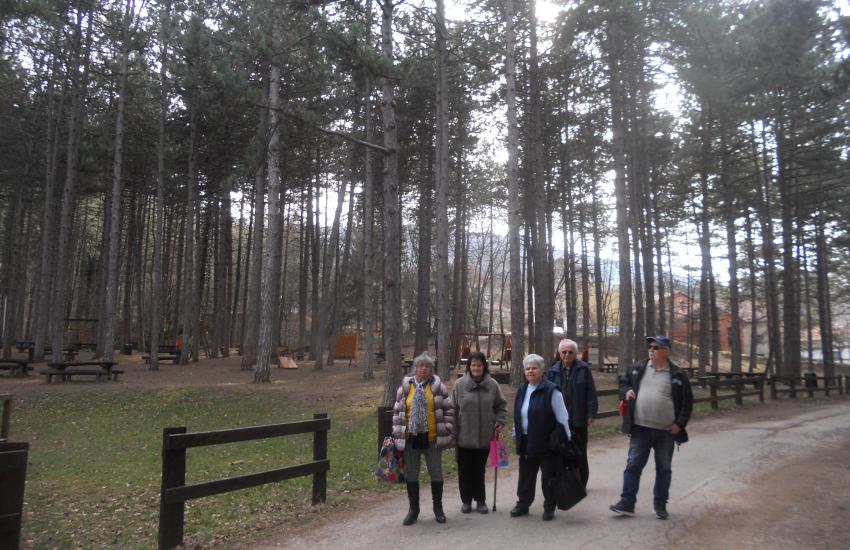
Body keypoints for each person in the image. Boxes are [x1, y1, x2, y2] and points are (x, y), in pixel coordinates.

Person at [610, 336, 693, 520]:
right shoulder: (638, 368)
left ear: (666, 351)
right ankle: (627, 503)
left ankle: (660, 505)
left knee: (664, 468)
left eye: (656, 347)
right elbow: (623, 383)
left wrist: (679, 424)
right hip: (640, 428)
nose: (651, 350)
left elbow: (687, 402)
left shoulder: (677, 375)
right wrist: (625, 391)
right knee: (633, 465)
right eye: (650, 347)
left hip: (666, 431)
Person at [392, 352, 454, 525]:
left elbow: (449, 410)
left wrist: (447, 428)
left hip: (432, 438)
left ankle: (438, 508)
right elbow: (397, 412)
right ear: (415, 368)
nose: (423, 369)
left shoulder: (438, 387)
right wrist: (397, 432)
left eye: (427, 366)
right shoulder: (405, 387)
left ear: (431, 369)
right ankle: (413, 510)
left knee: (436, 472)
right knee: (412, 473)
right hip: (410, 439)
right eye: (420, 366)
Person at [511, 354, 571, 521]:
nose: (530, 371)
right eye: (527, 368)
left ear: (542, 370)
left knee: (548, 476)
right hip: (526, 440)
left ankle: (549, 506)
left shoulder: (552, 391)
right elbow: (518, 414)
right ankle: (523, 503)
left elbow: (563, 417)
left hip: (547, 442)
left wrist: (566, 441)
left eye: (534, 368)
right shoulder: (522, 389)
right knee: (525, 475)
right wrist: (515, 432)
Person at [452, 351, 507, 514]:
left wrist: (500, 420)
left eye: (479, 365)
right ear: (469, 367)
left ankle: (481, 500)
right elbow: (453, 410)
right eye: (473, 365)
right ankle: (466, 501)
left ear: (484, 367)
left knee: (479, 470)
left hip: (485, 436)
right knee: (464, 470)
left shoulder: (493, 385)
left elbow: (501, 406)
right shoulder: (459, 385)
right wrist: (454, 433)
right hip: (464, 436)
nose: (476, 368)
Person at [546, 338, 598, 488]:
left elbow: (591, 393)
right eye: (564, 352)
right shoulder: (552, 371)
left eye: (570, 352)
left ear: (575, 354)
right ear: (559, 353)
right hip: (559, 420)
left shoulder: (584, 369)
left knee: (580, 452)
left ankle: (582, 482)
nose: (567, 355)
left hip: (578, 418)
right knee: (561, 452)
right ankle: (565, 483)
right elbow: (548, 395)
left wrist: (591, 414)